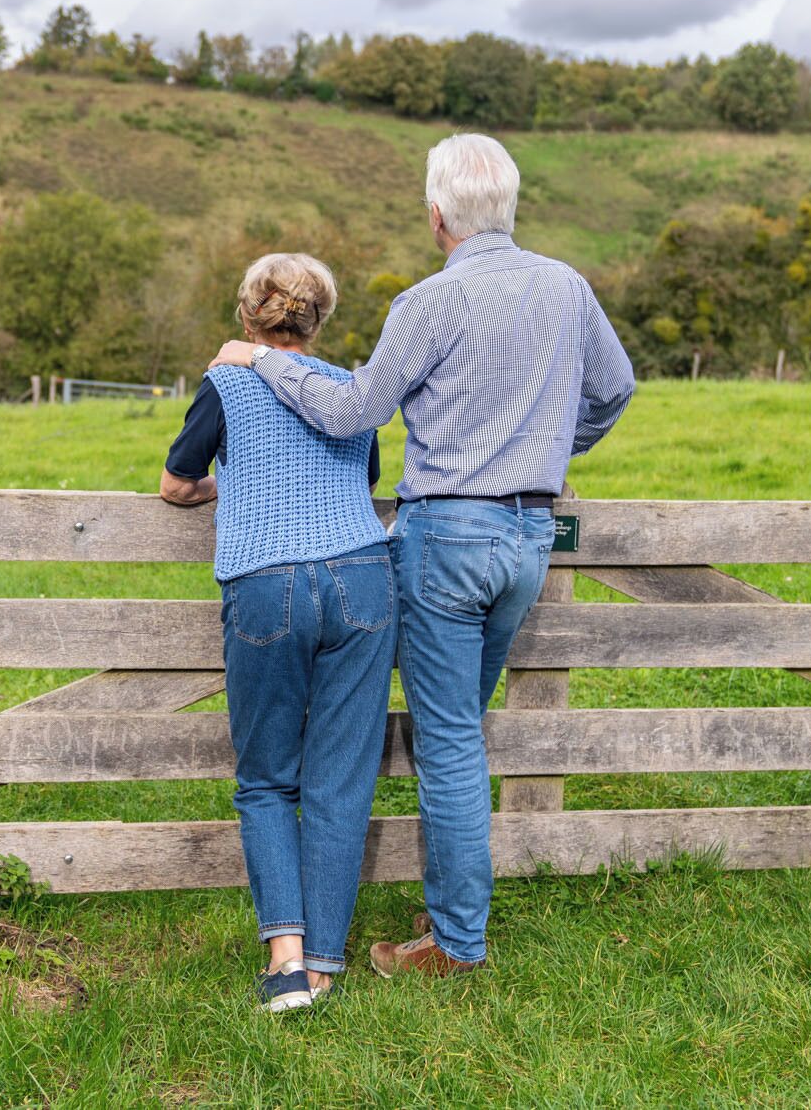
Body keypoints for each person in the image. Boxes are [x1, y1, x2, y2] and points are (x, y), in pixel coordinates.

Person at [208, 133, 635, 977]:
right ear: (507, 206)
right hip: (526, 538)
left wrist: (262, 359)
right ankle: (453, 902)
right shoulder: (568, 287)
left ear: (437, 215)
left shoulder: (427, 304)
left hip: (447, 538)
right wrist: (547, 450)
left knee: (446, 744)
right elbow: (614, 387)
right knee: (459, 734)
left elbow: (352, 409)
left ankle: (455, 943)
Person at [160, 252, 395, 1013]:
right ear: (318, 318)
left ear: (248, 314)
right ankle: (326, 960)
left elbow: (175, 483)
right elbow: (356, 480)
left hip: (267, 581)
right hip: (362, 577)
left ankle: (287, 964)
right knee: (341, 775)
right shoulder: (349, 388)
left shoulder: (227, 382)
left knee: (267, 776)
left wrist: (236, 481)